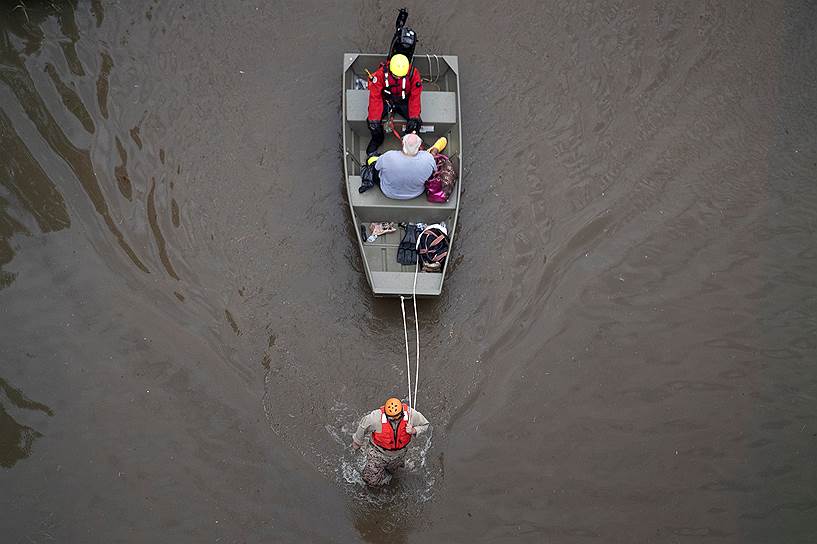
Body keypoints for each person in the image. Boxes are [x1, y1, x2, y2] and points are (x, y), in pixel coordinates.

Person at [351, 396, 430, 487]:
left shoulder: (411, 415)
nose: (395, 420)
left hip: (399, 454)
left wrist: (414, 430)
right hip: (378, 452)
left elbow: (425, 425)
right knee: (369, 479)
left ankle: (388, 476)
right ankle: (383, 479)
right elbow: (363, 426)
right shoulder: (375, 418)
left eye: (398, 418)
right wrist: (357, 442)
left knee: (395, 473)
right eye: (392, 419)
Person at [366, 53, 423, 156]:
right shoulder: (380, 75)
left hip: (404, 101)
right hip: (387, 101)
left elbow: (415, 96)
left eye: (401, 76)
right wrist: (374, 119)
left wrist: (414, 117)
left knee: (416, 123)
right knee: (372, 124)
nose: (398, 78)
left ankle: (410, 141)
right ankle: (377, 139)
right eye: (396, 75)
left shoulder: (413, 74)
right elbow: (375, 97)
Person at [373, 133, 447, 200]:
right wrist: (431, 154)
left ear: (403, 143)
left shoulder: (388, 156)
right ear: (419, 146)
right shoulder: (428, 158)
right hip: (415, 193)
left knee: (372, 163)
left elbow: (376, 167)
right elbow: (444, 140)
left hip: (389, 192)